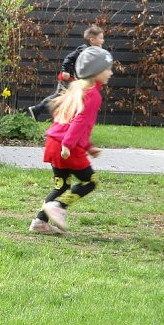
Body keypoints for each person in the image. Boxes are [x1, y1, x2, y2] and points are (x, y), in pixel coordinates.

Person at [29, 46, 113, 234]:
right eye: (108, 68)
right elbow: (80, 121)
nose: (111, 72)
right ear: (96, 71)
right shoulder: (93, 94)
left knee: (62, 186)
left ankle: (39, 223)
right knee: (90, 182)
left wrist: (89, 147)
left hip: (53, 143)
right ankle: (57, 206)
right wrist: (68, 144)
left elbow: (69, 121)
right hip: (67, 146)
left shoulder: (76, 88)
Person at [27, 24, 104, 121]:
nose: (103, 40)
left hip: (76, 80)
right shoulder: (84, 49)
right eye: (101, 38)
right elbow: (69, 58)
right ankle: (37, 109)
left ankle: (67, 119)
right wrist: (65, 70)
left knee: (72, 99)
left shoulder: (93, 51)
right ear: (92, 40)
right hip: (68, 78)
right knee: (59, 96)